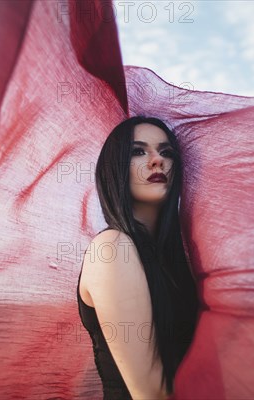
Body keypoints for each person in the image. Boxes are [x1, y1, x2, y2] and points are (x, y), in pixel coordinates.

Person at [77, 116, 200, 399]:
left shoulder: (179, 257)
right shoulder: (112, 248)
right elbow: (152, 394)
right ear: (115, 168)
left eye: (166, 152)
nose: (157, 161)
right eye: (138, 151)